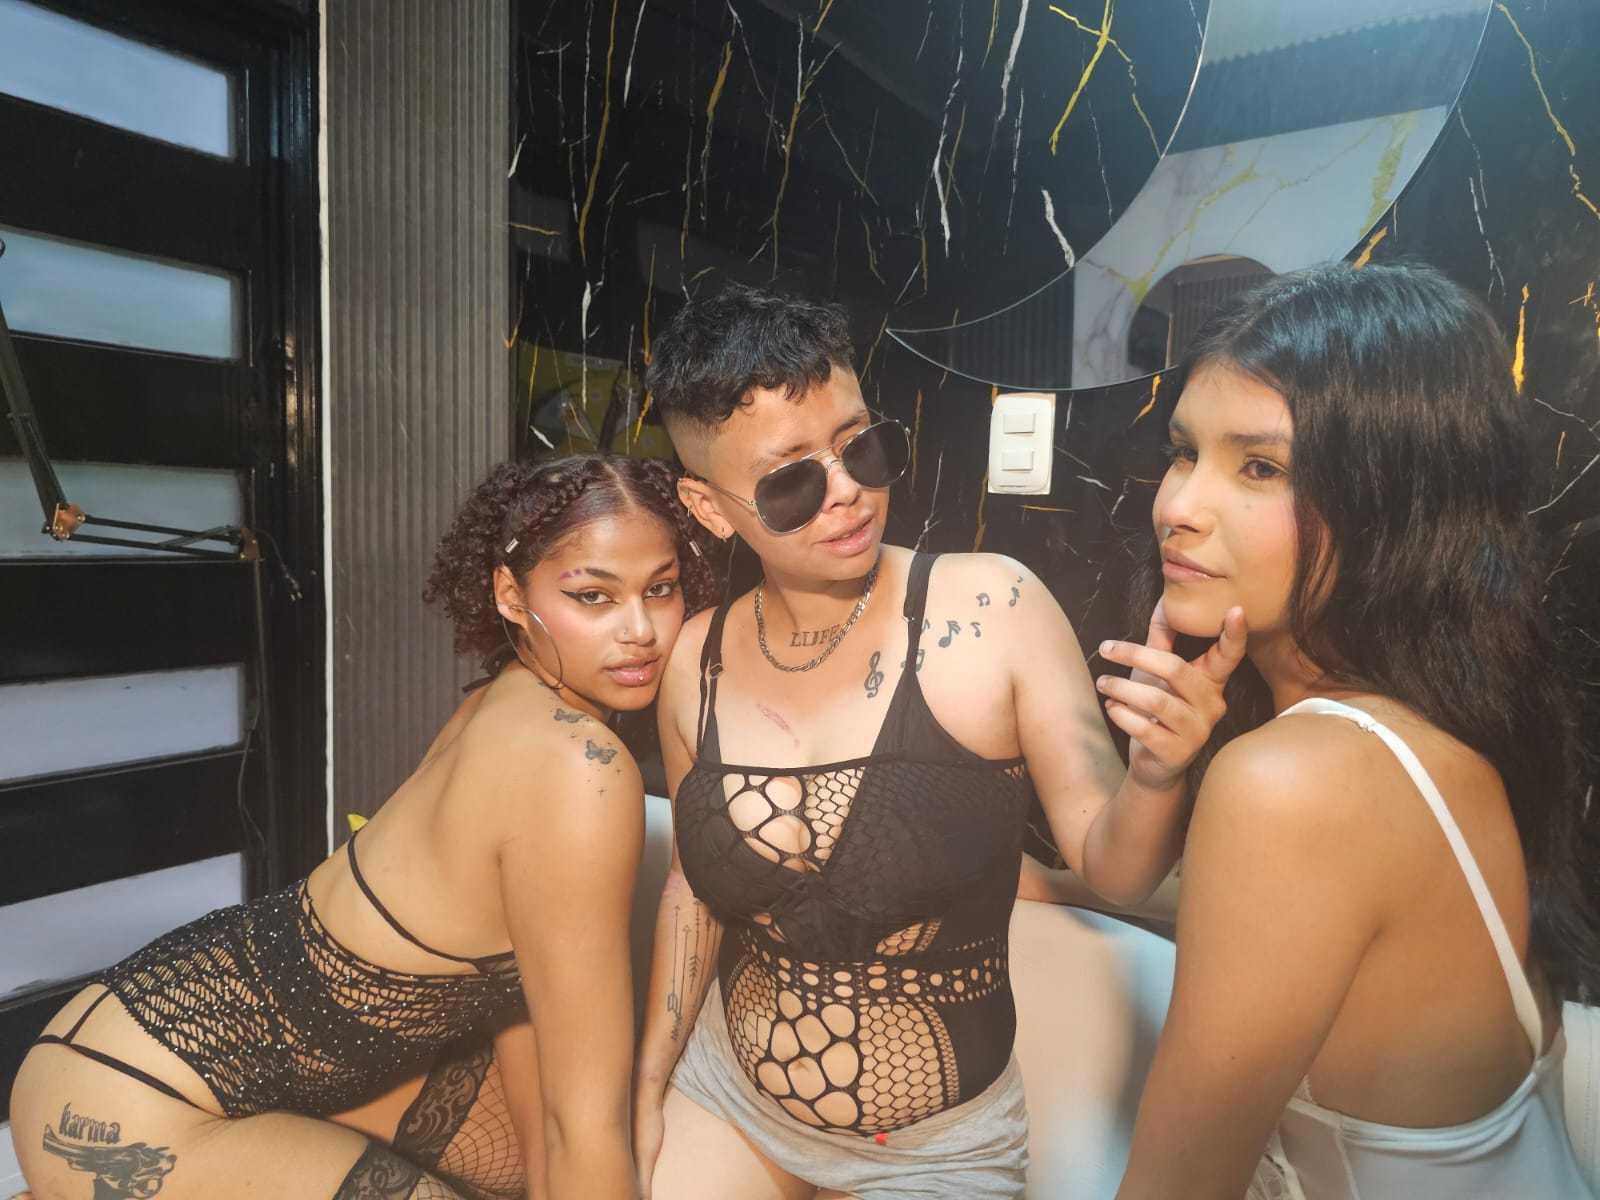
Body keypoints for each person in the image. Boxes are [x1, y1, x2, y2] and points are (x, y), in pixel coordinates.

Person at [629, 282, 1247, 1200]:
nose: (848, 492)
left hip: (937, 1152)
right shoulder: (696, 660)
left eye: (860, 446)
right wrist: (652, 1078)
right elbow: (693, 884)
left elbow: (1114, 870)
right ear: (710, 507)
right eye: (792, 479)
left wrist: (1157, 777)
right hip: (729, 1100)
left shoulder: (992, 608)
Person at [10, 454, 717, 1200]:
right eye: (593, 596)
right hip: (128, 1109)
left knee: (528, 1162)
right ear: (511, 595)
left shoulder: (501, 700)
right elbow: (584, 1121)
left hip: (121, 1036)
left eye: (660, 588)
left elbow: (520, 1016)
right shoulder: (581, 768)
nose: (640, 630)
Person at [1113, 262, 1600, 1199]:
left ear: (1394, 500)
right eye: (1183, 452)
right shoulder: (1443, 720)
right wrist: (1052, 885)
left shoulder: (1292, 783)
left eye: (1260, 467)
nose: (1177, 508)